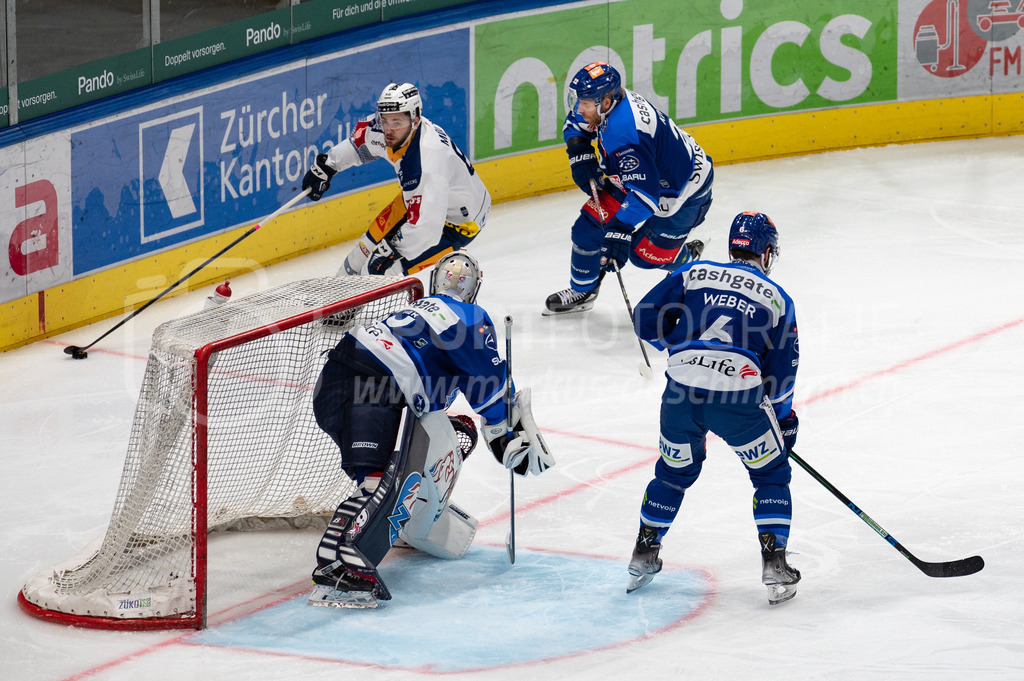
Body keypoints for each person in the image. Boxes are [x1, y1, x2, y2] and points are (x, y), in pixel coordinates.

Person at [308, 250, 554, 608]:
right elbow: (486, 385)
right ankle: (347, 570)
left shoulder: (414, 312)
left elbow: (451, 385)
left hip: (335, 382)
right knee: (390, 483)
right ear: (473, 289)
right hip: (376, 385)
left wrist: (501, 402)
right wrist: (505, 431)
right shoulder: (470, 316)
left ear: (435, 282)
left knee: (376, 479)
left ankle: (338, 558)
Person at [626, 211, 801, 605]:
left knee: (672, 472)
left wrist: (684, 347)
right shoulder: (777, 298)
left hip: (680, 392)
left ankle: (644, 552)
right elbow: (782, 372)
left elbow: (643, 317)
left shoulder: (696, 272)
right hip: (738, 396)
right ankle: (774, 563)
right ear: (767, 252)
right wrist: (785, 420)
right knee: (771, 472)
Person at [544, 61, 714, 315]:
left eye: (586, 104)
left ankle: (687, 260)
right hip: (639, 179)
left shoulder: (625, 132)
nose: (579, 108)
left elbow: (646, 197)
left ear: (607, 101)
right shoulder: (608, 106)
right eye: (579, 101)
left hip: (683, 193)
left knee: (643, 255)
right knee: (586, 231)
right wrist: (579, 150)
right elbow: (576, 125)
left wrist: (619, 229)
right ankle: (584, 290)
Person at [302, 83, 491, 277]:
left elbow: (427, 229)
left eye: (397, 122)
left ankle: (361, 304)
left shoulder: (427, 163)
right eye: (386, 121)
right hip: (421, 199)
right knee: (364, 250)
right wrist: (327, 166)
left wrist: (391, 252)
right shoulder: (389, 129)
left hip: (459, 224)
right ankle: (337, 297)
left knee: (379, 270)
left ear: (415, 120)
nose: (389, 130)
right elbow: (359, 145)